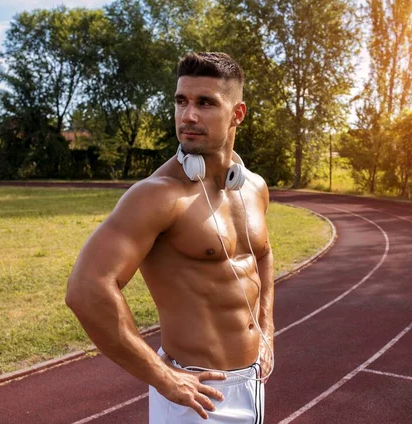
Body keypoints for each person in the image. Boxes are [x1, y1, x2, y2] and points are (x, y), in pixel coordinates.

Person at [66, 52, 274, 423]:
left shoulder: (253, 187)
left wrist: (267, 330)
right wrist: (163, 377)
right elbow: (87, 289)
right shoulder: (157, 195)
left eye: (205, 103)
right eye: (181, 101)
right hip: (196, 397)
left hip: (253, 381)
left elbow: (263, 253)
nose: (188, 115)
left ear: (237, 114)